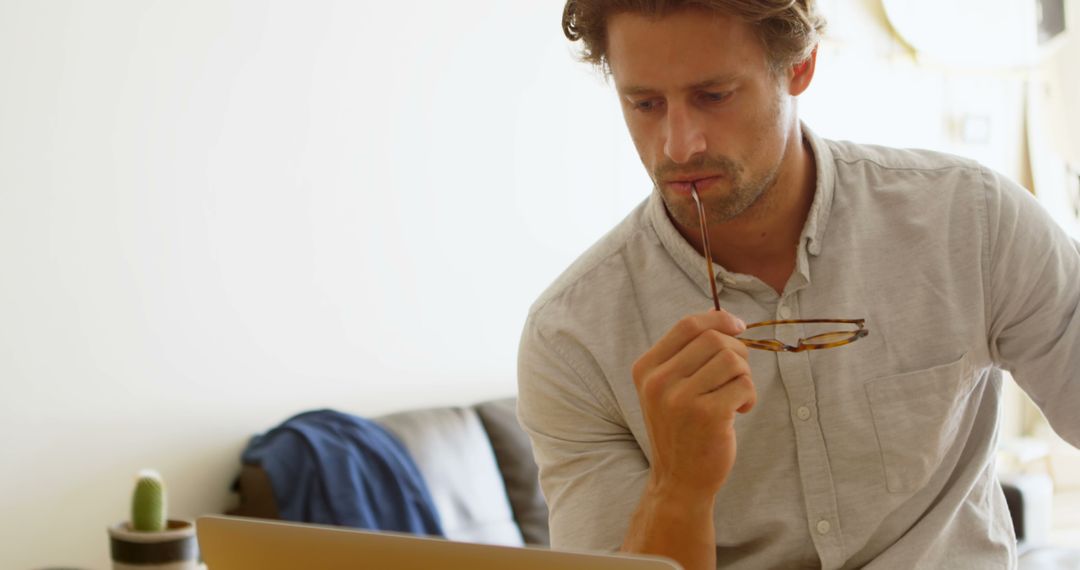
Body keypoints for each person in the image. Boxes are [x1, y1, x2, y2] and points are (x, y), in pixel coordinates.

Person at [515, 1, 1080, 569]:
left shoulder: (973, 221)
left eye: (714, 96)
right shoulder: (571, 338)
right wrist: (678, 487)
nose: (678, 146)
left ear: (800, 65)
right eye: (645, 104)